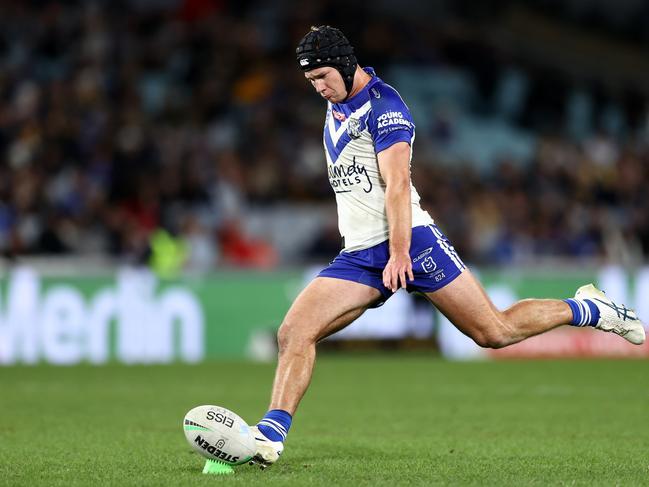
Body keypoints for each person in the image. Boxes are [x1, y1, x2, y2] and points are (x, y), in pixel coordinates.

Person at [247, 25, 646, 469]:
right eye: (311, 82)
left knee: (494, 332)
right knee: (293, 332)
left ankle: (590, 309)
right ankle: (269, 437)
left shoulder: (387, 109)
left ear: (343, 64)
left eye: (322, 76)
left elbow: (397, 184)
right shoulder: (339, 102)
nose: (318, 88)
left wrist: (400, 253)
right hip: (360, 253)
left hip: (412, 242)